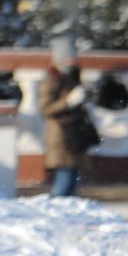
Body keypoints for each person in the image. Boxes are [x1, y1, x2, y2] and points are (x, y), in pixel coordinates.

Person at [39, 61, 92, 197]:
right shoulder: (51, 79)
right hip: (61, 136)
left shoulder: (73, 76)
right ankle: (55, 213)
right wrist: (68, 102)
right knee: (64, 181)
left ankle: (66, 214)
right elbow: (46, 109)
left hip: (76, 136)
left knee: (73, 182)